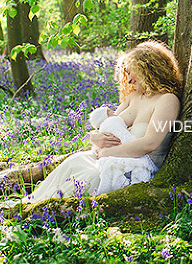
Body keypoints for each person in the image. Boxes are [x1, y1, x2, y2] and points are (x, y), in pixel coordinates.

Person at [20, 41, 182, 204]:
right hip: (109, 157)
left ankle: (47, 212)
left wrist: (108, 152)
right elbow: (109, 124)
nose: (130, 80)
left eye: (132, 72)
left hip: (136, 166)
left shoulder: (167, 100)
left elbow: (150, 143)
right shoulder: (133, 97)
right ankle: (29, 206)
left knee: (88, 177)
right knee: (75, 161)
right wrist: (94, 137)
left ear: (148, 69)